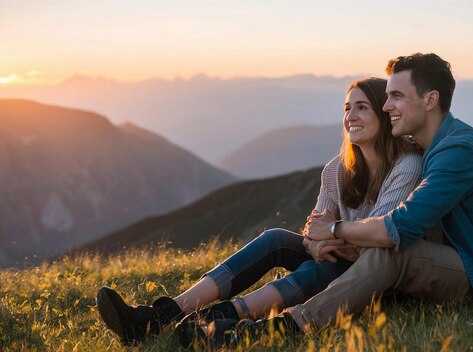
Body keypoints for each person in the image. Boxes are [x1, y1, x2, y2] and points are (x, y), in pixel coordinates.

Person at [216, 52, 473, 346]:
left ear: (430, 100)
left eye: (397, 97)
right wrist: (318, 240)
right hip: (462, 261)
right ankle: (204, 310)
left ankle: (288, 326)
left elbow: (397, 228)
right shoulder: (431, 147)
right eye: (386, 97)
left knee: (393, 252)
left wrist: (334, 230)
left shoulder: (458, 151)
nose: (386, 107)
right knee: (289, 242)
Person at [96, 77, 433, 347]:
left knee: (327, 268)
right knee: (277, 239)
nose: (350, 116)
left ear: (383, 114)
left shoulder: (406, 166)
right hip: (341, 259)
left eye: (362, 107)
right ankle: (162, 315)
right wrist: (319, 243)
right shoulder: (335, 171)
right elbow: (313, 231)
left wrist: (331, 237)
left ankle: (221, 320)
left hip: (379, 282)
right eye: (347, 108)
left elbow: (383, 240)